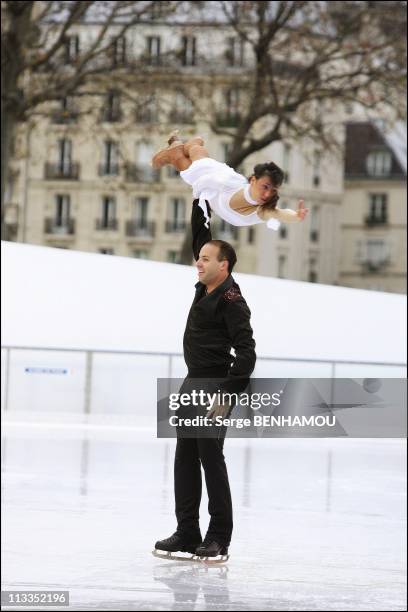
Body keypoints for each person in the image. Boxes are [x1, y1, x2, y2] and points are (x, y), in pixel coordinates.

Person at [154, 197, 256, 561]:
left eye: (207, 259)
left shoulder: (231, 299)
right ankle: (186, 532)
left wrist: (227, 395)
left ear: (224, 265)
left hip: (215, 388)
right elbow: (201, 236)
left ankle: (218, 537)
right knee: (184, 457)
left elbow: (247, 354)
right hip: (192, 382)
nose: (198, 262)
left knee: (211, 460)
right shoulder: (205, 284)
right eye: (199, 258)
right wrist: (200, 196)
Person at [152, 130, 309, 230]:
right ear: (253, 180)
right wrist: (199, 196)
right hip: (218, 181)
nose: (267, 194)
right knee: (191, 165)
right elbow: (202, 183)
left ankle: (184, 146)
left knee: (196, 160)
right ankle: (184, 147)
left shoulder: (264, 210)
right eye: (265, 186)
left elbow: (280, 213)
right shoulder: (224, 183)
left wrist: (296, 216)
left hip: (220, 188)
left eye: (273, 190)